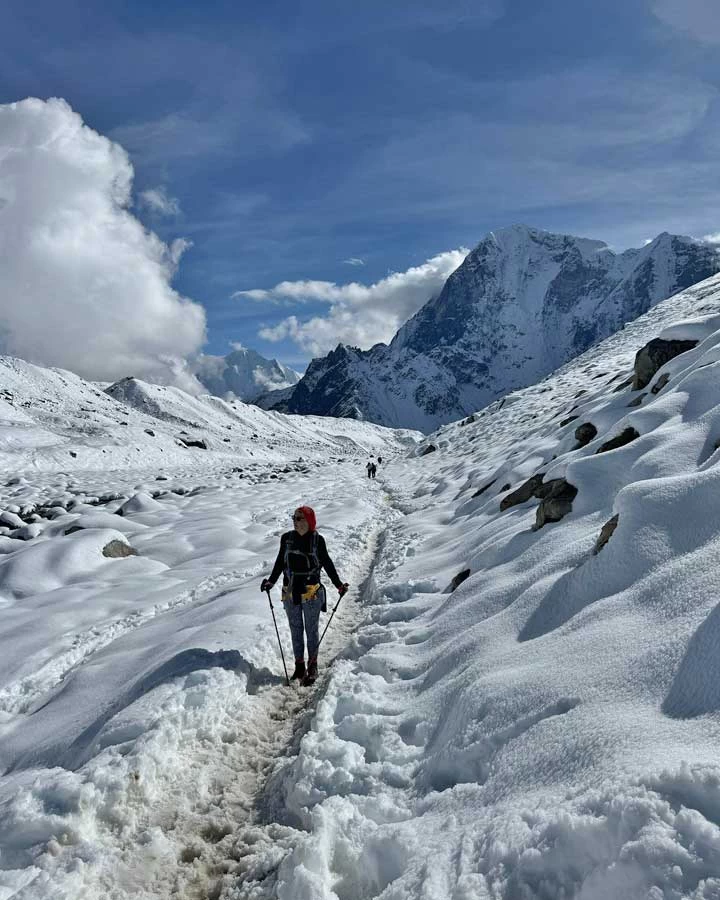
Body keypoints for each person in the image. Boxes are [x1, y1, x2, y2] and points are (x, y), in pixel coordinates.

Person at [261, 506, 348, 685]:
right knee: (296, 628)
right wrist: (271, 581)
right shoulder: (286, 539)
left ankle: (313, 665)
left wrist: (338, 585)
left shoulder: (317, 540)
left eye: (300, 518)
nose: (295, 521)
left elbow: (327, 563)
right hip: (290, 590)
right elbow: (279, 562)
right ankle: (300, 665)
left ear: (309, 521)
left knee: (311, 628)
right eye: (294, 517)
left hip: (311, 591)